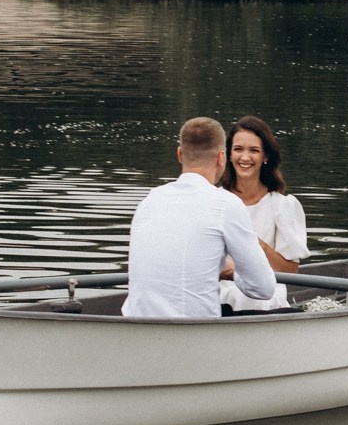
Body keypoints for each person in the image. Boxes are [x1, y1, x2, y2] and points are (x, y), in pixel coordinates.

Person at [124, 116, 277, 319]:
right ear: (222, 157)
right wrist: (231, 272)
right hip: (194, 333)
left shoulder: (149, 200)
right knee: (291, 312)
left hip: (134, 324)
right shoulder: (226, 204)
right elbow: (264, 288)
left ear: (180, 154)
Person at [216, 115, 310, 314]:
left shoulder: (281, 205)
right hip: (219, 292)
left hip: (265, 295)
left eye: (254, 151)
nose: (245, 157)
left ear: (266, 157)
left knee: (246, 297)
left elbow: (290, 271)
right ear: (229, 155)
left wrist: (253, 243)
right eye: (238, 149)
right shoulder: (215, 200)